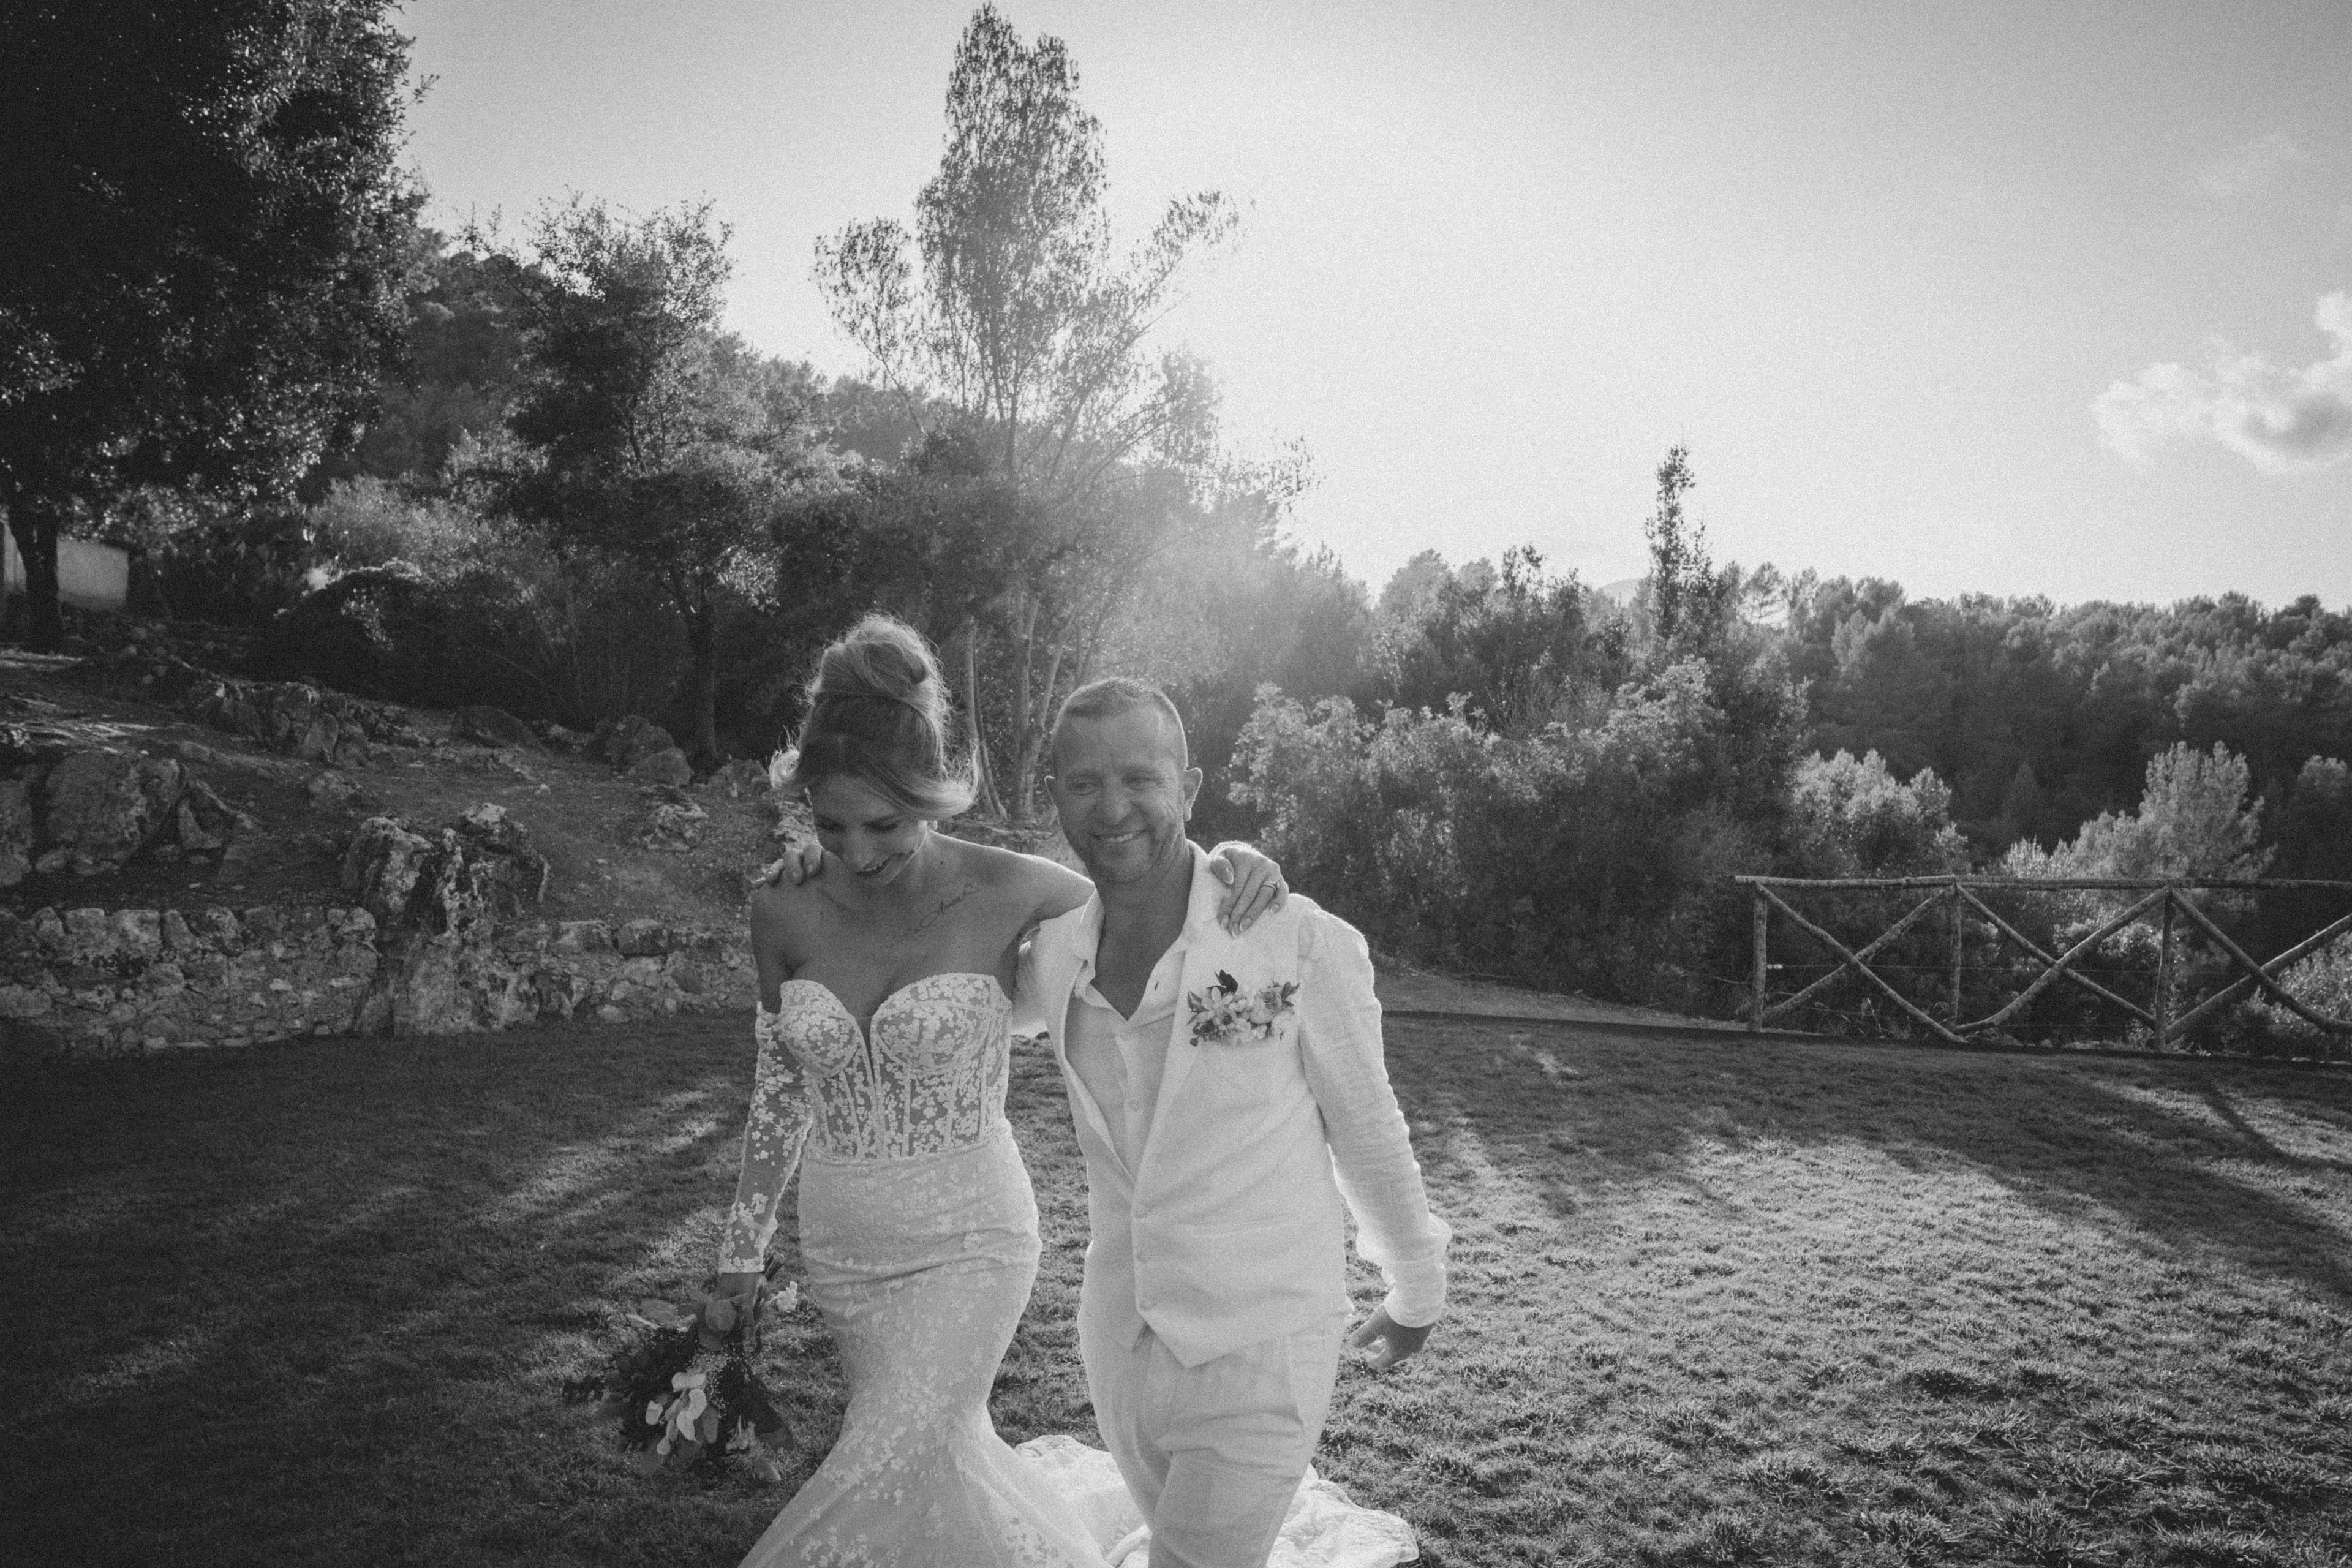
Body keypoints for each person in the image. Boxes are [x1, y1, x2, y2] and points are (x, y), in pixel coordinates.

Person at [716, 615, 1286, 1568]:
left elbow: (1154, 893)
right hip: (844, 1248)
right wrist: (741, 1252)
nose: (857, 852)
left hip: (973, 1239)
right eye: (830, 824)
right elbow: (780, 1094)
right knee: (933, 1460)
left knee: (887, 1451)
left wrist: (1231, 862)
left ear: (932, 793)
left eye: (885, 824)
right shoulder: (780, 905)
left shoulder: (1016, 891)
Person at [1020, 677, 1451, 1568]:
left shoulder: (1297, 940)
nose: (1112, 807)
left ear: (1189, 787)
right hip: (1118, 1337)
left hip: (1264, 1339)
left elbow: (1369, 1130)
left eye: (1141, 778)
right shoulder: (1053, 952)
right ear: (1053, 794)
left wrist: (1416, 1288)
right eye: (1084, 783)